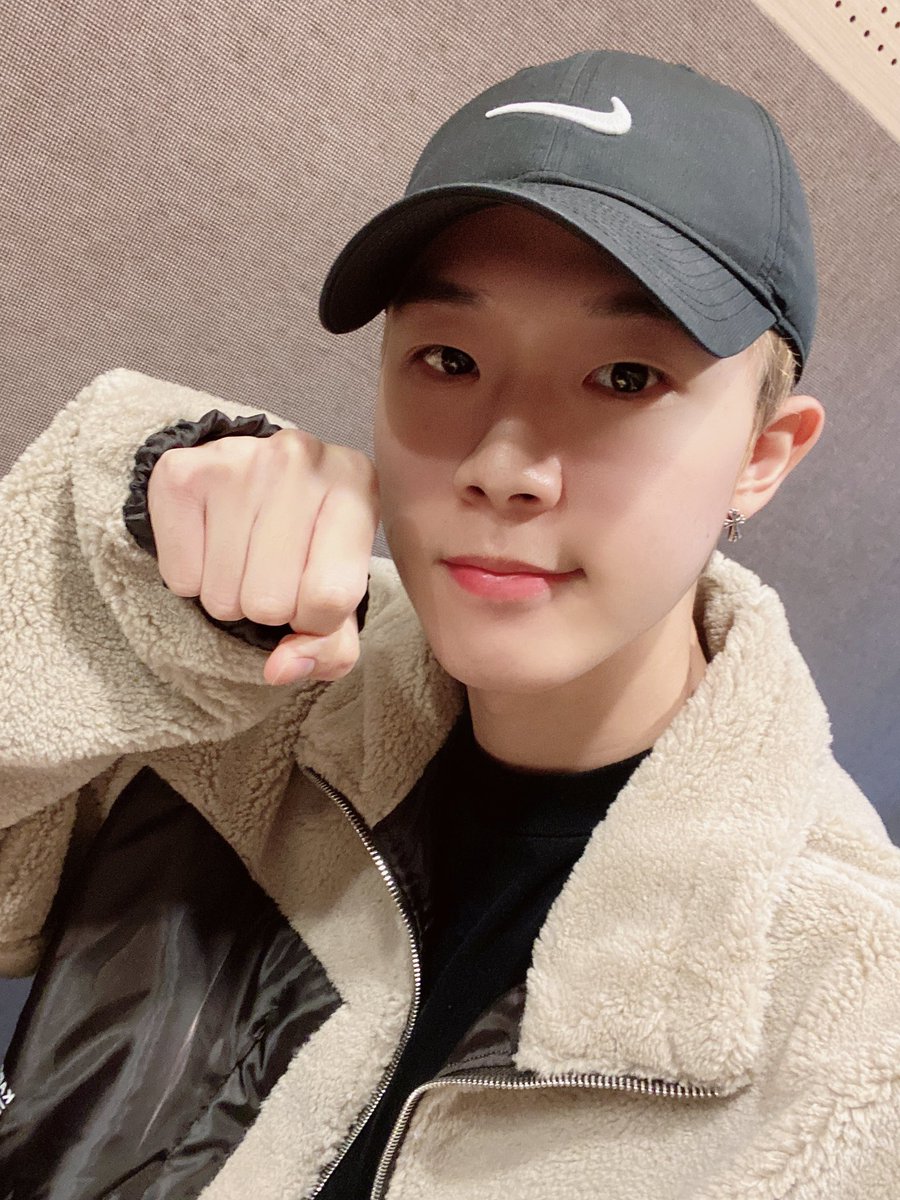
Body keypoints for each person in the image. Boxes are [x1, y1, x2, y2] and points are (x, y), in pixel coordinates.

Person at [0, 48, 898, 1200]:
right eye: (450, 358)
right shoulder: (247, 692)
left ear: (762, 457)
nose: (503, 463)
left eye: (626, 378)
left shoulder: (852, 1028)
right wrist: (109, 544)